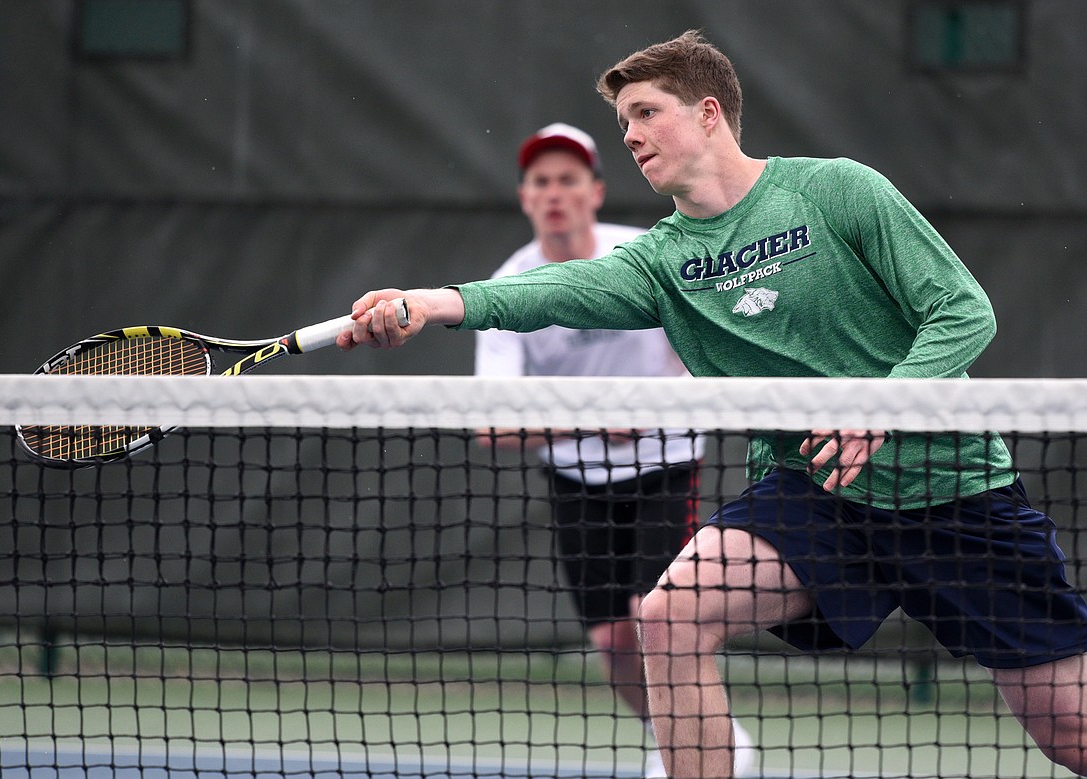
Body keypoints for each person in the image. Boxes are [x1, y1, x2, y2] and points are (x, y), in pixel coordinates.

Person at [340, 29, 1087, 779]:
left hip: (955, 495)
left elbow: (963, 311)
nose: (629, 135)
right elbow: (549, 290)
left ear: (707, 114)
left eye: (643, 112)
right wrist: (434, 300)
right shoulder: (662, 262)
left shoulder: (838, 191)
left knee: (1069, 733)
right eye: (622, 122)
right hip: (814, 495)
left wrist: (880, 403)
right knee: (667, 618)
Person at [475, 122, 754, 777]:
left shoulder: (644, 256)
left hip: (665, 466)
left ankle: (698, 747)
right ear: (525, 197)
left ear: (595, 191)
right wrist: (590, 422)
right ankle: (681, 735)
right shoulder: (509, 287)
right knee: (612, 645)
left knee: (654, 617)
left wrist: (661, 399)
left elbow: (709, 344)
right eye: (540, 181)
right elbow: (490, 423)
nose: (554, 193)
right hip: (576, 482)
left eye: (568, 179)